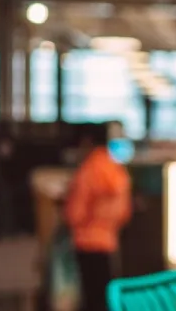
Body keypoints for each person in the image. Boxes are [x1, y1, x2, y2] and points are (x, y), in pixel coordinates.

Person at [64, 123, 132, 311]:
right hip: (109, 240)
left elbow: (75, 213)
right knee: (108, 297)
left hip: (87, 241)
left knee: (91, 298)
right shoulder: (115, 169)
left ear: (87, 142)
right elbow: (124, 211)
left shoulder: (88, 170)